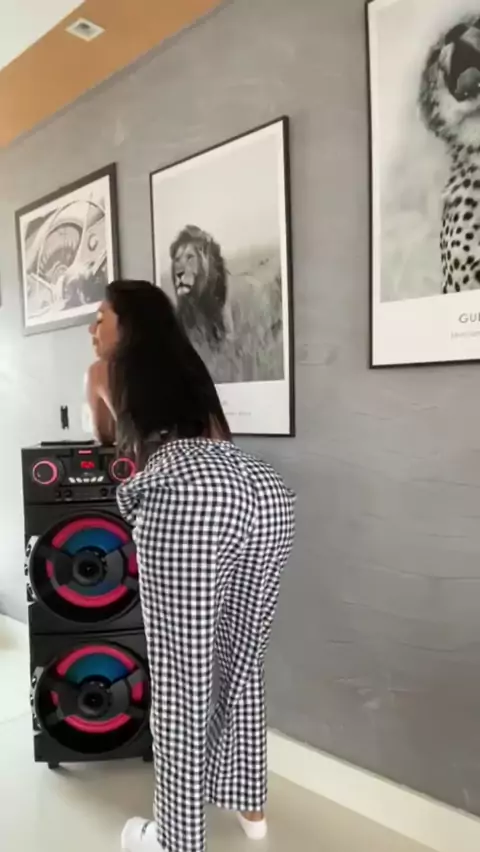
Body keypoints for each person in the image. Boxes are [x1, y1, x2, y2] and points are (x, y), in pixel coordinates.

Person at [86, 280, 295, 852]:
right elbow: (218, 440)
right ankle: (252, 810)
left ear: (128, 322)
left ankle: (175, 839)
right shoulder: (189, 370)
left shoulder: (106, 370)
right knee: (241, 658)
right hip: (262, 490)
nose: (93, 329)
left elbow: (105, 439)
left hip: (189, 499)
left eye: (101, 317)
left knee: (182, 680)